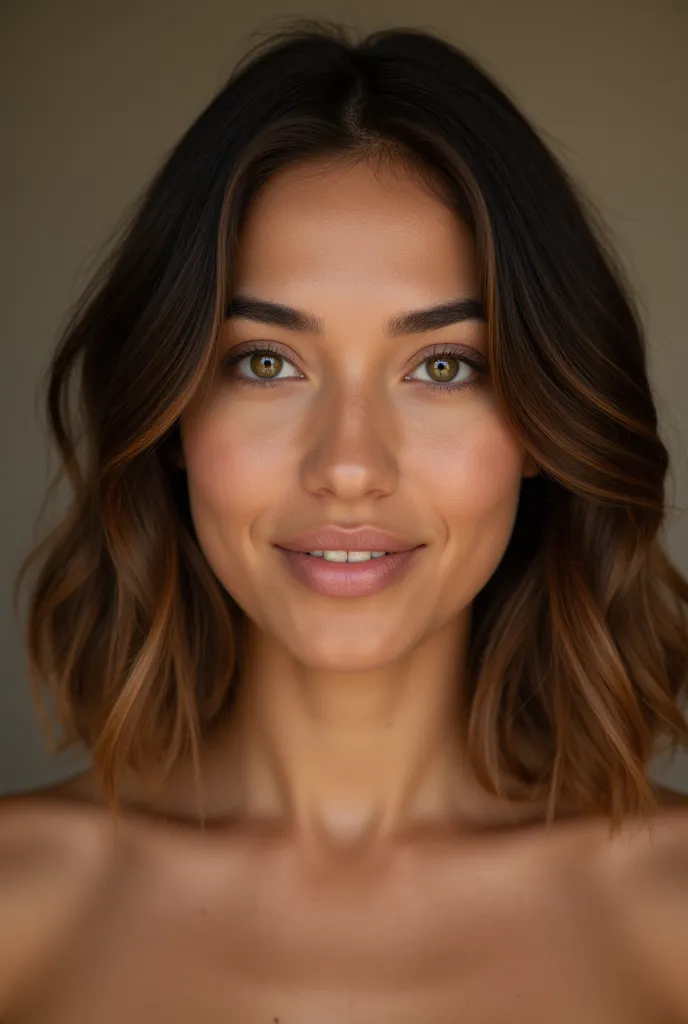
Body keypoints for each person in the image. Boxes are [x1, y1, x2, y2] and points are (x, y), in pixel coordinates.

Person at [2, 18, 688, 1023]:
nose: (351, 467)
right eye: (266, 362)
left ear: (545, 422)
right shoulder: (19, 910)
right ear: (172, 415)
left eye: (443, 366)